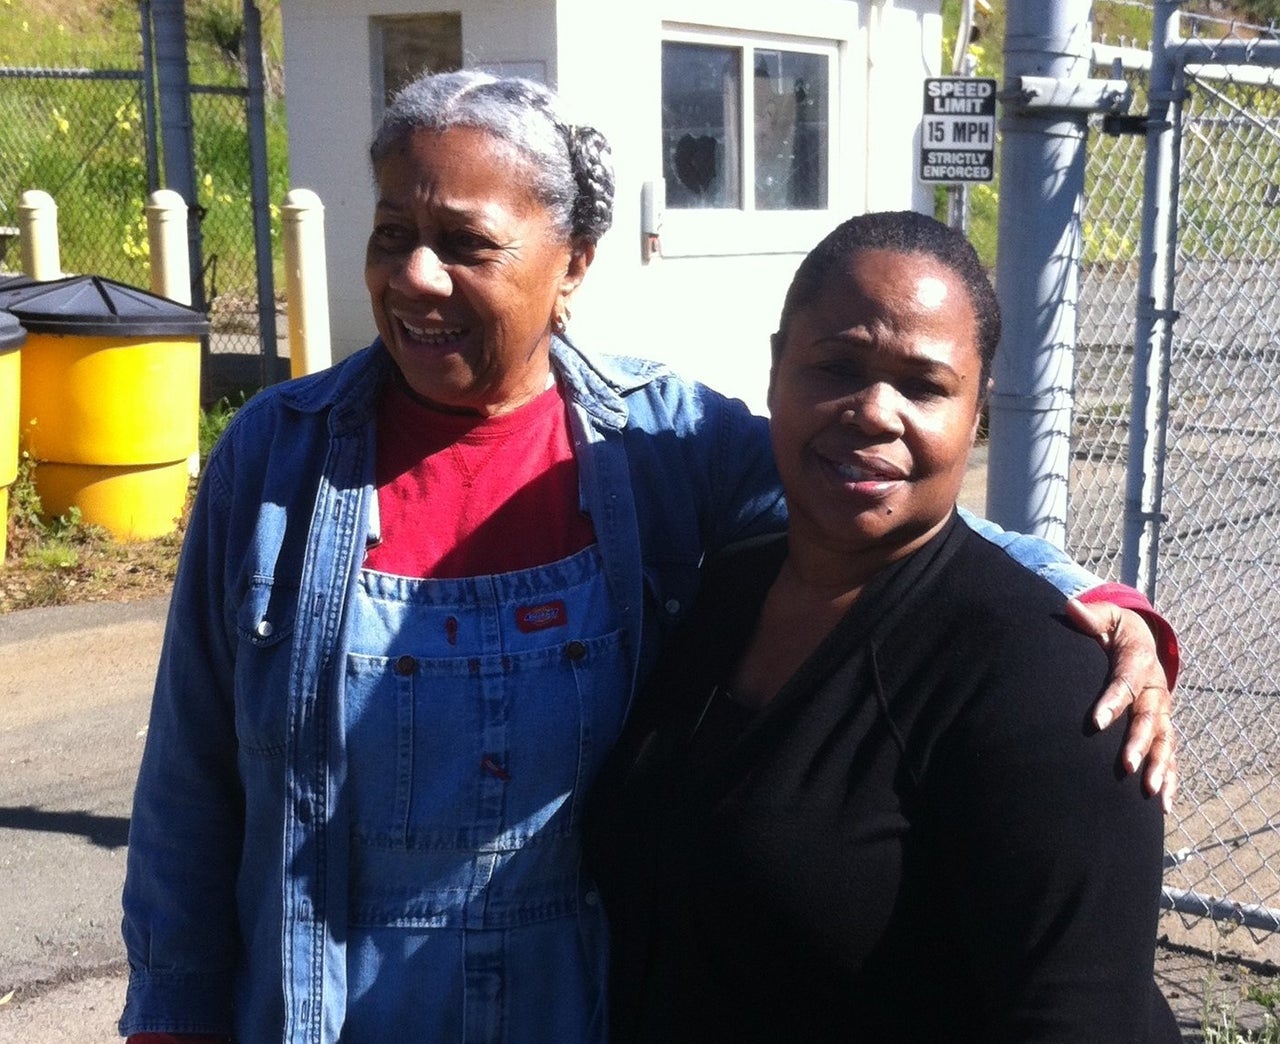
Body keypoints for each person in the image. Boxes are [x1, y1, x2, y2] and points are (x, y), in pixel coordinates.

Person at [119, 73, 1176, 1044]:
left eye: (464, 244)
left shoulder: (661, 445)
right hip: (319, 1002)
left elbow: (886, 506)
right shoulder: (276, 453)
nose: (413, 276)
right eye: (392, 233)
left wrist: (1093, 604)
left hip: (576, 1006)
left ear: (571, 263)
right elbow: (189, 777)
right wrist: (171, 1015)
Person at [585, 210, 1180, 1042]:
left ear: (976, 415)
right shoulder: (720, 591)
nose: (872, 410)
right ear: (774, 372)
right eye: (836, 366)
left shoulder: (1054, 690)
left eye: (924, 386)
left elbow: (1076, 1018)